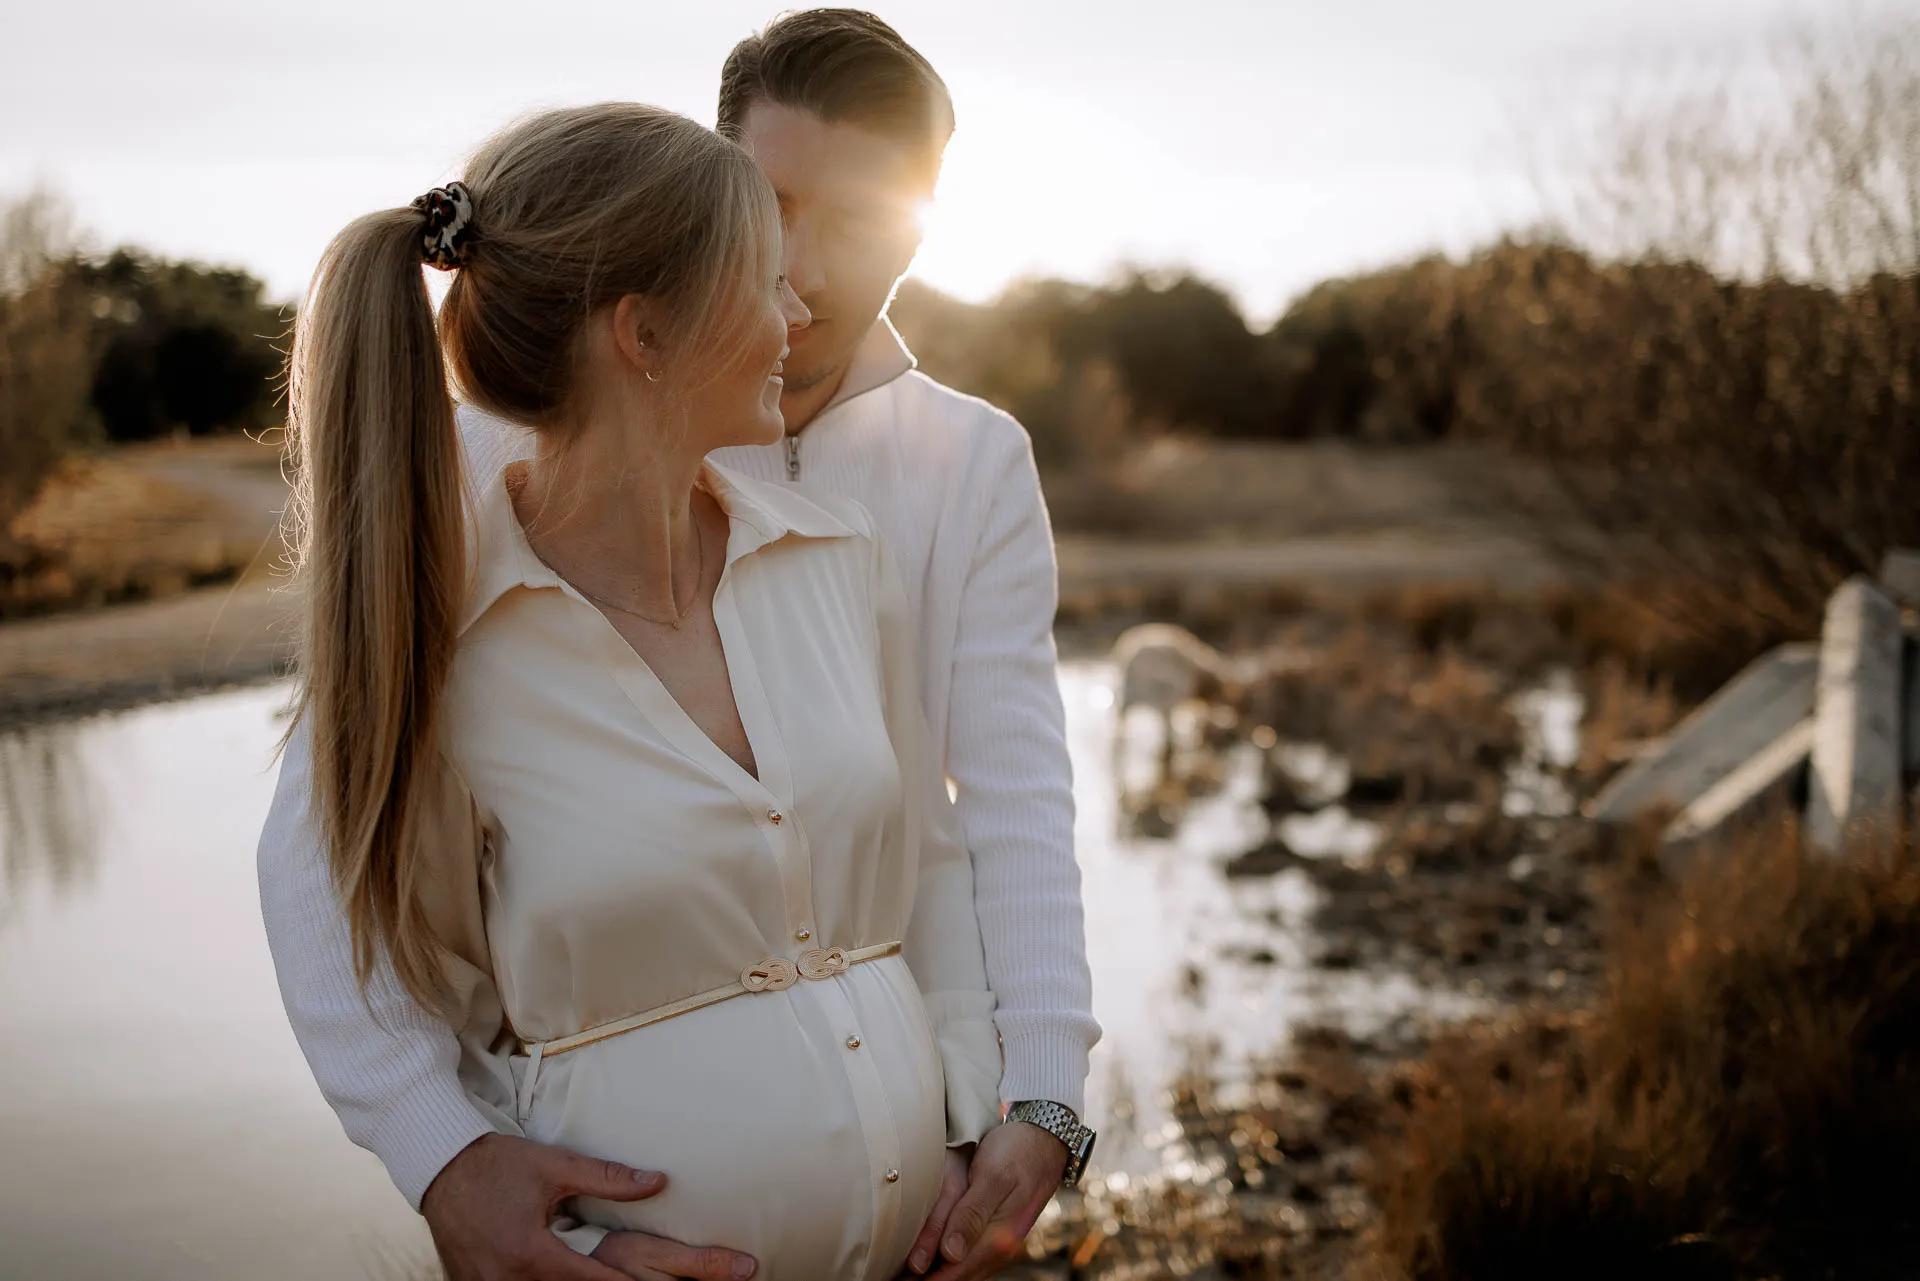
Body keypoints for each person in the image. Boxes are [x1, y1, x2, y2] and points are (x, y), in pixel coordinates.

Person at [259, 12, 1100, 1281]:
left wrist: (1033, 1093)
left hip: (918, 1204)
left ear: (924, 224)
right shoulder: (495, 459)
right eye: (774, 213)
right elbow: (334, 861)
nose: (806, 273)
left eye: (860, 222)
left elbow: (1000, 808)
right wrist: (445, 1156)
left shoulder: (964, 467)